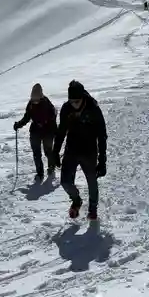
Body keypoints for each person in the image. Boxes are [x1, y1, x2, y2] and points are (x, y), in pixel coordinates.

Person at [53, 80, 107, 221]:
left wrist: (102, 160)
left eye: (77, 101)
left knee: (91, 181)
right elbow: (61, 132)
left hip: (89, 150)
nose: (74, 104)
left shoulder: (93, 108)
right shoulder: (66, 109)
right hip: (72, 148)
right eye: (72, 101)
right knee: (65, 182)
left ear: (83, 98)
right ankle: (76, 200)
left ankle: (92, 209)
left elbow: (102, 135)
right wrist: (55, 152)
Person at [13, 83, 58, 180]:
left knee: (48, 151)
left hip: (47, 131)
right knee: (36, 154)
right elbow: (27, 117)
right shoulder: (30, 104)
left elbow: (53, 117)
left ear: (41, 96)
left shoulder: (46, 103)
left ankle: (51, 167)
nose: (35, 101)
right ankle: (40, 173)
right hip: (35, 131)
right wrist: (19, 124)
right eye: (33, 99)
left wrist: (55, 131)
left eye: (37, 99)